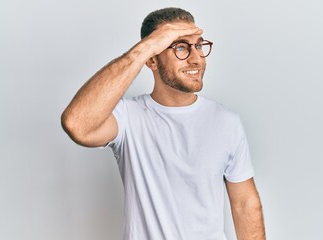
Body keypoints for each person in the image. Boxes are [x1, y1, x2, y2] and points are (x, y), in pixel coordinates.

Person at [61, 7, 266, 240]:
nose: (196, 58)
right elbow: (76, 124)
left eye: (198, 45)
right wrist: (146, 47)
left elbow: (245, 204)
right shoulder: (128, 117)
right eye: (180, 47)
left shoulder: (226, 122)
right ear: (152, 60)